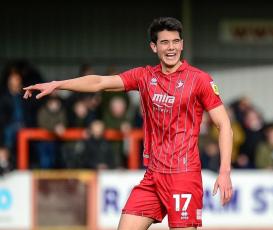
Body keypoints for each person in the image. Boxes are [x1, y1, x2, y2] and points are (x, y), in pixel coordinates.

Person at [23, 17, 233, 230]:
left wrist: (224, 171)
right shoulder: (144, 76)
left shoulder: (199, 80)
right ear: (154, 46)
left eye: (175, 41)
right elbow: (99, 82)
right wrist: (58, 84)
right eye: (164, 42)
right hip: (152, 176)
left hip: (183, 175)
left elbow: (224, 125)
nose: (171, 48)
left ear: (182, 44)